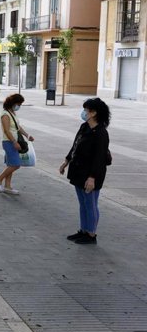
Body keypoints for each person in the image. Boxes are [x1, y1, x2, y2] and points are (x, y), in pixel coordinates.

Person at [59, 98, 111, 245]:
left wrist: (92, 177)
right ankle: (83, 230)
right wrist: (66, 161)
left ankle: (91, 234)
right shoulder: (84, 127)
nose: (84, 112)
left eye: (86, 110)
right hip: (79, 170)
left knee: (91, 203)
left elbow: (99, 158)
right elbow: (75, 145)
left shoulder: (101, 133)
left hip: (91, 174)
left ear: (94, 113)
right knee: (83, 203)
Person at [0, 93, 34, 195]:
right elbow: (6, 130)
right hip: (9, 142)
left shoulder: (12, 113)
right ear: (13, 103)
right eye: (19, 104)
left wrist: (27, 135)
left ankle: (8, 186)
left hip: (13, 142)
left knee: (10, 164)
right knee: (15, 164)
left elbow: (18, 127)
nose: (19, 106)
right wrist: (14, 142)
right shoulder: (5, 114)